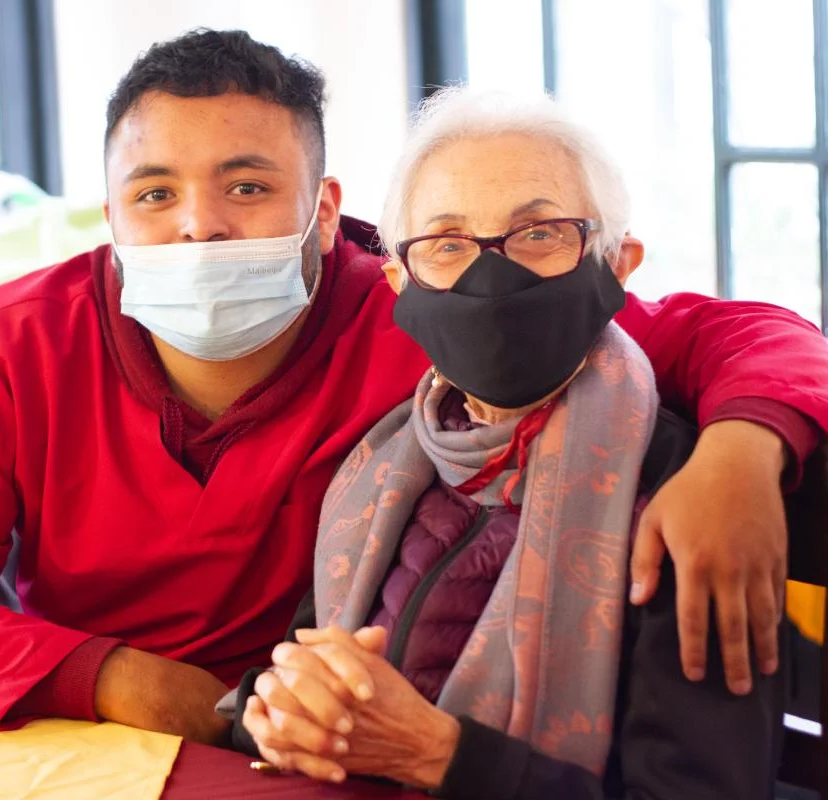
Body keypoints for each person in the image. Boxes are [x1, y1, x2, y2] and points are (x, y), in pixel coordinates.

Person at [0, 29, 826, 743]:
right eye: (155, 195)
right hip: (94, 736)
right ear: (108, 215)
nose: (199, 225)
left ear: (327, 210)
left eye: (248, 187)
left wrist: (742, 445)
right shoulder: (6, 344)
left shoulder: (429, 303)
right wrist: (121, 679)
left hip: (340, 743)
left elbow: (736, 333)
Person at [234, 87, 785, 798]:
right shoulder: (377, 463)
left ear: (617, 264)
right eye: (448, 243)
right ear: (400, 281)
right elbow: (293, 677)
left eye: (539, 233)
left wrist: (437, 756)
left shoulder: (677, 494)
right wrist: (279, 713)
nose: (492, 276)